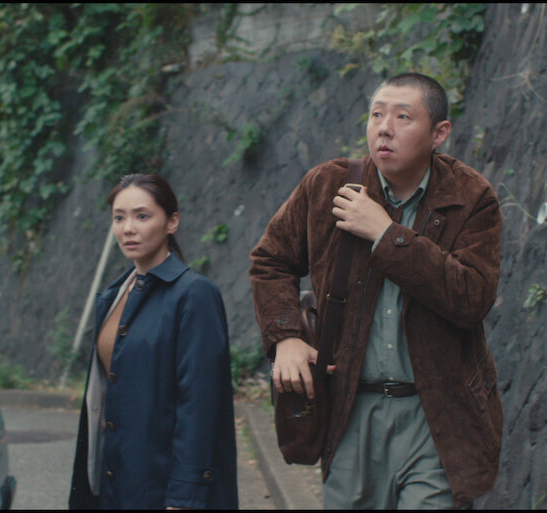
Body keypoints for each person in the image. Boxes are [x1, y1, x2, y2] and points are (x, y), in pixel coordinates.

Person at [249, 72, 503, 509]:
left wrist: (387, 235)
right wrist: (285, 337)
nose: (384, 128)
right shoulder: (326, 185)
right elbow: (270, 260)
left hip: (437, 415)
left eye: (403, 117)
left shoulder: (470, 196)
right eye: (376, 114)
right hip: (351, 409)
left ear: (439, 132)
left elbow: (472, 297)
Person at [69, 173, 239, 510]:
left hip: (163, 484)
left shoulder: (194, 295)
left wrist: (184, 496)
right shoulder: (114, 296)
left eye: (142, 216)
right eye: (119, 218)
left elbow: (199, 404)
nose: (128, 228)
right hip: (116, 475)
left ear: (172, 222)